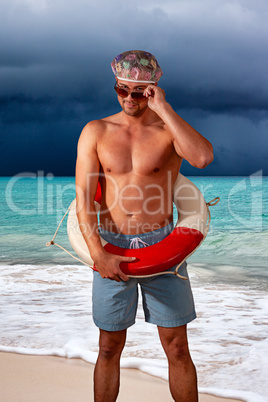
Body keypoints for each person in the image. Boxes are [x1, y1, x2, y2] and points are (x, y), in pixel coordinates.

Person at [75, 50, 214, 402]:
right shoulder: (97, 131)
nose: (129, 99)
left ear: (153, 89)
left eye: (139, 92)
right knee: (108, 346)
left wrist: (164, 109)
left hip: (163, 247)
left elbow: (201, 157)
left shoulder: (167, 130)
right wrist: (98, 255)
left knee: (177, 347)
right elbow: (84, 199)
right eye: (122, 90)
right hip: (110, 245)